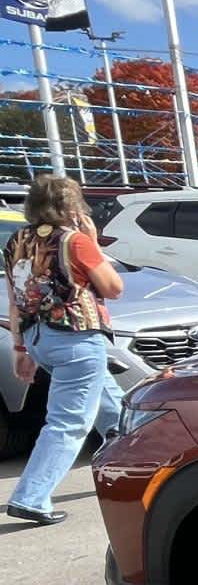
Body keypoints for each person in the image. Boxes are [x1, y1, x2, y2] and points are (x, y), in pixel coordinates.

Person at [4, 175, 124, 526]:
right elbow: (113, 288)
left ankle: (141, 465)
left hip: (39, 338)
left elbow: (14, 301)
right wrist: (93, 243)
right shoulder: (75, 241)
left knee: (113, 410)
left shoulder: (17, 241)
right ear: (72, 206)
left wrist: (20, 348)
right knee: (68, 422)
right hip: (77, 338)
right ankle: (31, 497)